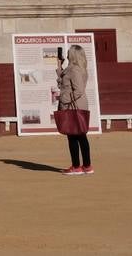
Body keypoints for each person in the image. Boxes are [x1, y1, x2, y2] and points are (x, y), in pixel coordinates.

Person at [57, 44, 92, 176]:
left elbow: (78, 90)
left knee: (73, 136)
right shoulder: (77, 69)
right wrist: (59, 68)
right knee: (80, 136)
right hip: (77, 105)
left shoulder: (74, 70)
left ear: (72, 55)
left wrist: (64, 99)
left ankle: (77, 166)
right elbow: (64, 84)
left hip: (73, 105)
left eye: (68, 53)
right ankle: (86, 166)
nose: (66, 54)